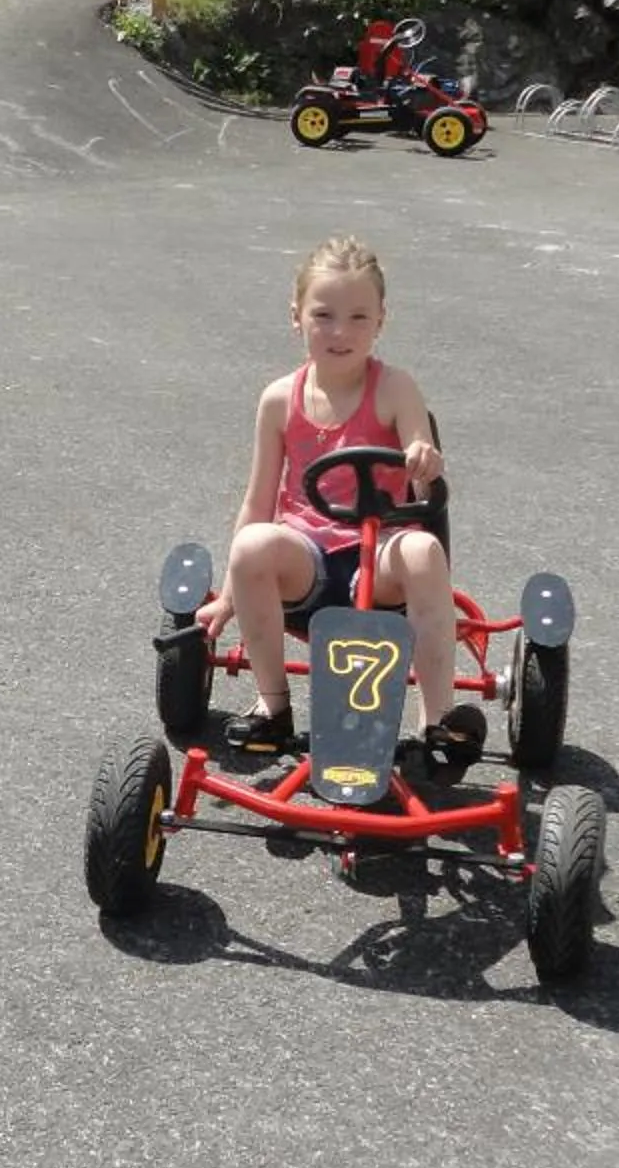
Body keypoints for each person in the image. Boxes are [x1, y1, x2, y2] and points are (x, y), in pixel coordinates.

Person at [194, 235, 486, 773]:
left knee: (422, 552)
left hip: (380, 559)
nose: (340, 332)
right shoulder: (280, 399)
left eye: (357, 317)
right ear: (297, 317)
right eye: (324, 315)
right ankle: (274, 708)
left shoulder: (395, 388)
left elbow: (423, 467)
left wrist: (421, 457)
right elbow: (258, 500)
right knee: (253, 544)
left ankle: (437, 721)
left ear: (381, 321)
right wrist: (228, 598)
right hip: (308, 562)